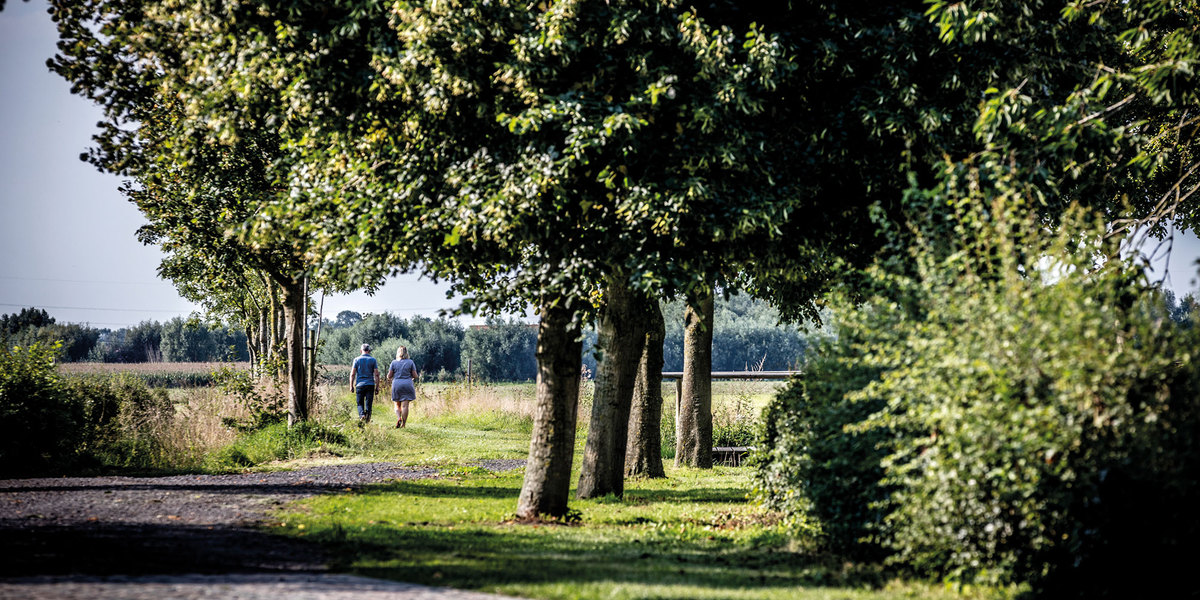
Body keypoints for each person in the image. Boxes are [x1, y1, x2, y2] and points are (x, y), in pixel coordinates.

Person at [386, 345, 419, 428]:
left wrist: (391, 376)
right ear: (406, 353)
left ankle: (398, 418)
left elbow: (389, 376)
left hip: (397, 384)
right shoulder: (410, 362)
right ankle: (403, 424)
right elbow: (415, 375)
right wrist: (410, 376)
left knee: (397, 405)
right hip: (407, 384)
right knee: (405, 406)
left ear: (398, 353)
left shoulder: (393, 362)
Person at [350, 343, 381, 426]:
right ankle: (367, 420)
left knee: (359, 403)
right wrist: (377, 387)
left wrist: (351, 385)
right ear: (369, 351)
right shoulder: (373, 360)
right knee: (369, 403)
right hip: (370, 384)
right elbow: (376, 375)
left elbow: (352, 374)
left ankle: (362, 415)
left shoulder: (356, 360)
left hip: (359, 384)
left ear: (361, 351)